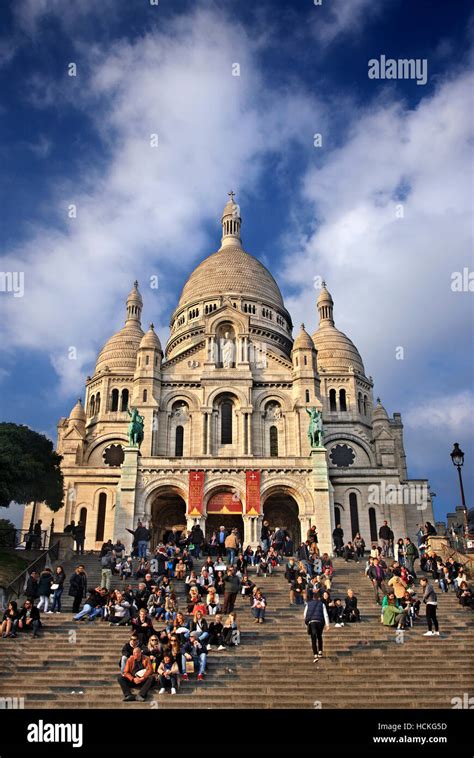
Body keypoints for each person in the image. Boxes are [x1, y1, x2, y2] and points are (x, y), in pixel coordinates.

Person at [304, 591, 330, 662]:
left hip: (312, 622)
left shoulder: (308, 604)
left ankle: (315, 654)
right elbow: (325, 614)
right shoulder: (322, 604)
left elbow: (305, 614)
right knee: (319, 636)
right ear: (319, 598)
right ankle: (320, 651)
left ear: (312, 597)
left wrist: (306, 623)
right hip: (320, 622)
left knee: (313, 638)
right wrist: (327, 624)